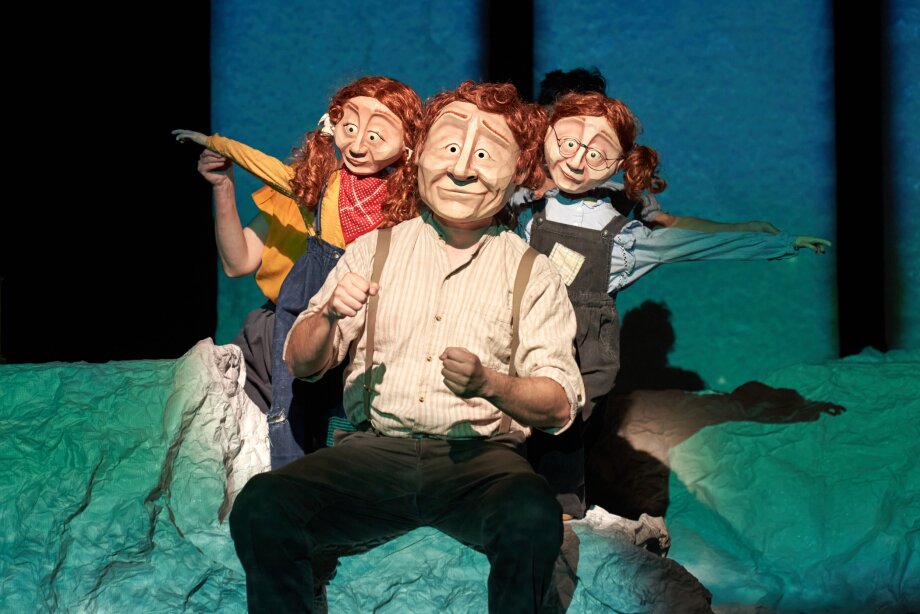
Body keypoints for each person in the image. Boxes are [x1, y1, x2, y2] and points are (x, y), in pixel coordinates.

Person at [228, 81, 586, 613]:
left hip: (480, 464)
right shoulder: (373, 249)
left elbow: (558, 407)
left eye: (484, 155)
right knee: (262, 504)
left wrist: (491, 384)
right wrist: (327, 316)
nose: (461, 169)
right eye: (450, 147)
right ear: (418, 157)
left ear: (517, 172)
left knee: (531, 515)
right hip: (373, 455)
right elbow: (300, 363)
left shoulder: (532, 273)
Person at [518, 91, 831, 519]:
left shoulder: (622, 232)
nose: (575, 161)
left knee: (570, 427)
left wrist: (776, 242)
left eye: (595, 153)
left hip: (584, 342)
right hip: (529, 330)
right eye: (568, 143)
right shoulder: (528, 205)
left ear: (618, 161)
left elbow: (688, 242)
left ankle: (561, 507)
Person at [175, 77, 422, 464]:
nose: (359, 146)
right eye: (350, 128)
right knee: (283, 423)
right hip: (284, 330)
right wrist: (223, 186)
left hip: (363, 333)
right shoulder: (310, 187)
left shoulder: (401, 202)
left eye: (375, 135)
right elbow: (238, 262)